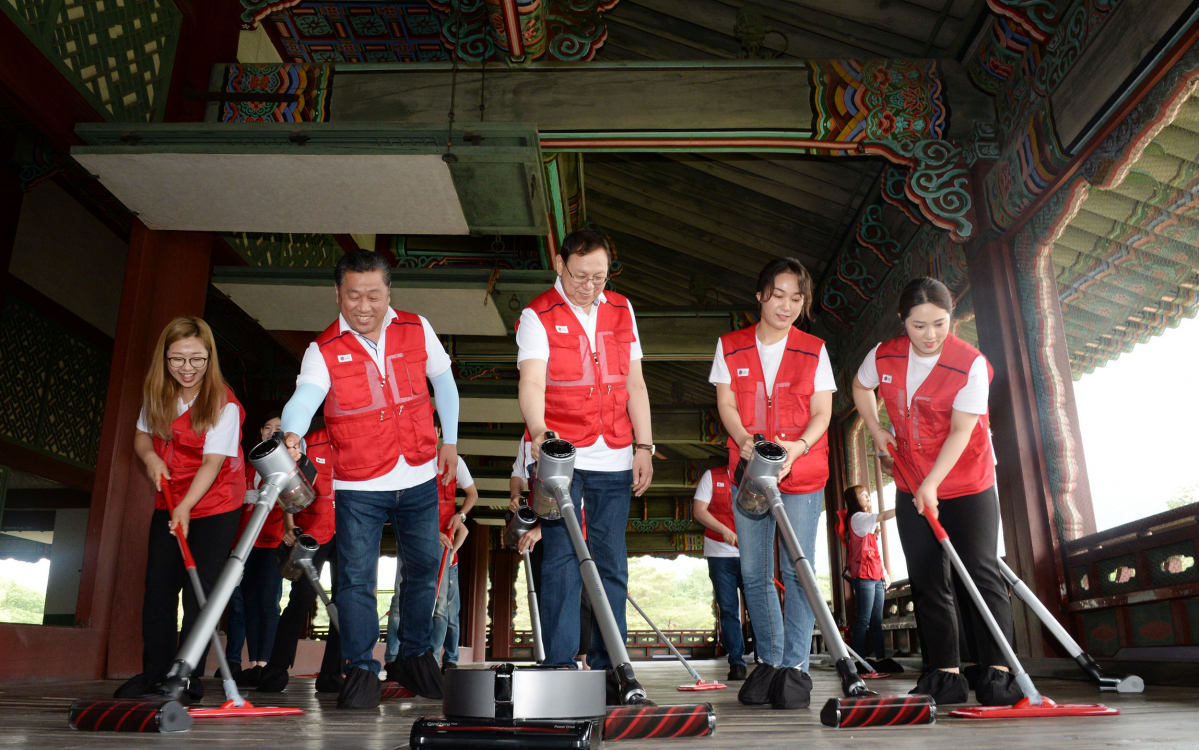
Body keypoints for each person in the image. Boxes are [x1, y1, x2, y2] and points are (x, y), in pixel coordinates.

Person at [279, 250, 460, 708]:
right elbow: (305, 397)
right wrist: (293, 431)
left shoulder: (417, 328)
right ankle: (360, 666)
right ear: (337, 293)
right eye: (354, 295)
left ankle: (415, 656)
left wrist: (451, 441)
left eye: (374, 295)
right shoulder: (322, 350)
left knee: (423, 570)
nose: (364, 306)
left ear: (388, 293)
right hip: (359, 483)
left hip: (418, 474)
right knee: (355, 580)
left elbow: (445, 383)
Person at [851, 276, 1020, 707]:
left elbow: (963, 431)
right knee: (928, 577)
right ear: (902, 322)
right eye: (918, 326)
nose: (929, 336)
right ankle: (944, 672)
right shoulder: (884, 355)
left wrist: (931, 485)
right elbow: (859, 386)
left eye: (939, 324)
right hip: (911, 480)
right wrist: (875, 428)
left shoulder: (971, 364)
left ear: (953, 318)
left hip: (968, 482)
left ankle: (998, 672)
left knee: (980, 572)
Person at [516, 228, 654, 703]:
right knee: (560, 562)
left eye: (600, 277)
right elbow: (532, 382)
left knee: (611, 562)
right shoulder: (536, 315)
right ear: (559, 264)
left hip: (616, 453)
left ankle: (611, 666)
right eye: (580, 276)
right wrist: (538, 432)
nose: (590, 287)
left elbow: (635, 383)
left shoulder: (622, 308)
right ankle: (558, 667)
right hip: (565, 461)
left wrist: (645, 446)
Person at [710, 257, 835, 710]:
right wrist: (743, 438)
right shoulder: (730, 345)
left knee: (797, 572)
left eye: (797, 298)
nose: (786, 306)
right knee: (754, 573)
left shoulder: (814, 349)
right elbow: (726, 403)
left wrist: (797, 448)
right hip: (749, 473)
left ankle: (795, 667)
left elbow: (822, 413)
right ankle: (771, 660)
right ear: (761, 294)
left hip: (801, 473)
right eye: (778, 295)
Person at [115, 317, 245, 704]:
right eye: (177, 359)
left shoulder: (224, 403)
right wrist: (151, 458)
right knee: (158, 588)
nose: (187, 368)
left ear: (210, 357)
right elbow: (141, 434)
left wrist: (187, 506)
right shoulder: (159, 392)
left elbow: (212, 463)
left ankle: (185, 675)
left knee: (198, 593)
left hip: (215, 503)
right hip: (170, 499)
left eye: (196, 360)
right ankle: (154, 672)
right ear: (164, 358)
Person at [257, 426, 344, 694]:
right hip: (314, 531)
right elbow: (286, 484)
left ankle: (332, 674)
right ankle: (276, 670)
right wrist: (288, 524)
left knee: (345, 603)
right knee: (301, 599)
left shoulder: (363, 442)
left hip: (348, 532)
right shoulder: (308, 442)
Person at [383, 447, 476, 672]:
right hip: (412, 543)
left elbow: (472, 493)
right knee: (399, 604)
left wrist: (460, 515)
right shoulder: (406, 461)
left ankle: (431, 661)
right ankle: (394, 659)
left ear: (438, 431)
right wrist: (429, 534)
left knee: (441, 608)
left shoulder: (455, 462)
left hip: (443, 549)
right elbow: (396, 504)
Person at [234, 413, 287, 688]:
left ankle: (265, 663)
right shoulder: (248, 465)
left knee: (268, 601)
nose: (271, 432)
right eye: (267, 427)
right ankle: (253, 663)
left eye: (278, 429)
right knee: (249, 601)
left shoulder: (286, 465)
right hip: (246, 541)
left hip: (272, 539)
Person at [691, 465, 748, 682]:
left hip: (750, 553)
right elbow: (699, 510)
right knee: (728, 609)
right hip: (719, 553)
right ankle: (737, 662)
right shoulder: (712, 476)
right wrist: (724, 531)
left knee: (758, 606)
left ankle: (766, 660)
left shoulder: (759, 476)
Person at [838, 485, 893, 663]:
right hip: (863, 575)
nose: (868, 497)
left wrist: (884, 572)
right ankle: (860, 661)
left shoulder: (865, 519)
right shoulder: (859, 518)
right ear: (855, 501)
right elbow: (884, 516)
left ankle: (881, 660)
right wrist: (905, 506)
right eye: (863, 495)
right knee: (863, 618)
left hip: (875, 574)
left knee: (876, 620)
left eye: (867, 494)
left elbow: (874, 551)